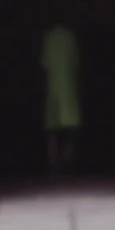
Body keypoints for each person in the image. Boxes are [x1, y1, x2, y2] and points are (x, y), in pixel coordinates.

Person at [41, 17, 81, 177]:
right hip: (68, 89)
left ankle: (53, 162)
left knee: (52, 130)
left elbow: (44, 63)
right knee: (70, 129)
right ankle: (66, 160)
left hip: (53, 89)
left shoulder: (49, 37)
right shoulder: (69, 36)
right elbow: (75, 62)